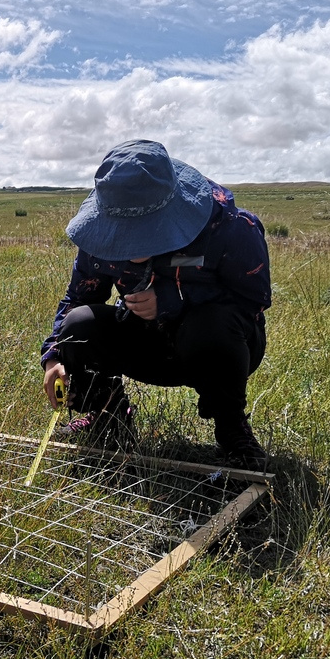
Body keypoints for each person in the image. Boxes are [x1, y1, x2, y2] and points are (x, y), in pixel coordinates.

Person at [39, 139, 272, 469]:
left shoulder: (231, 228)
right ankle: (108, 417)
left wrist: (173, 301)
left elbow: (253, 301)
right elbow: (79, 298)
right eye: (121, 233)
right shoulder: (98, 235)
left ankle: (232, 430)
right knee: (77, 325)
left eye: (145, 232)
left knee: (212, 325)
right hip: (147, 342)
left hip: (218, 346)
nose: (131, 247)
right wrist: (53, 356)